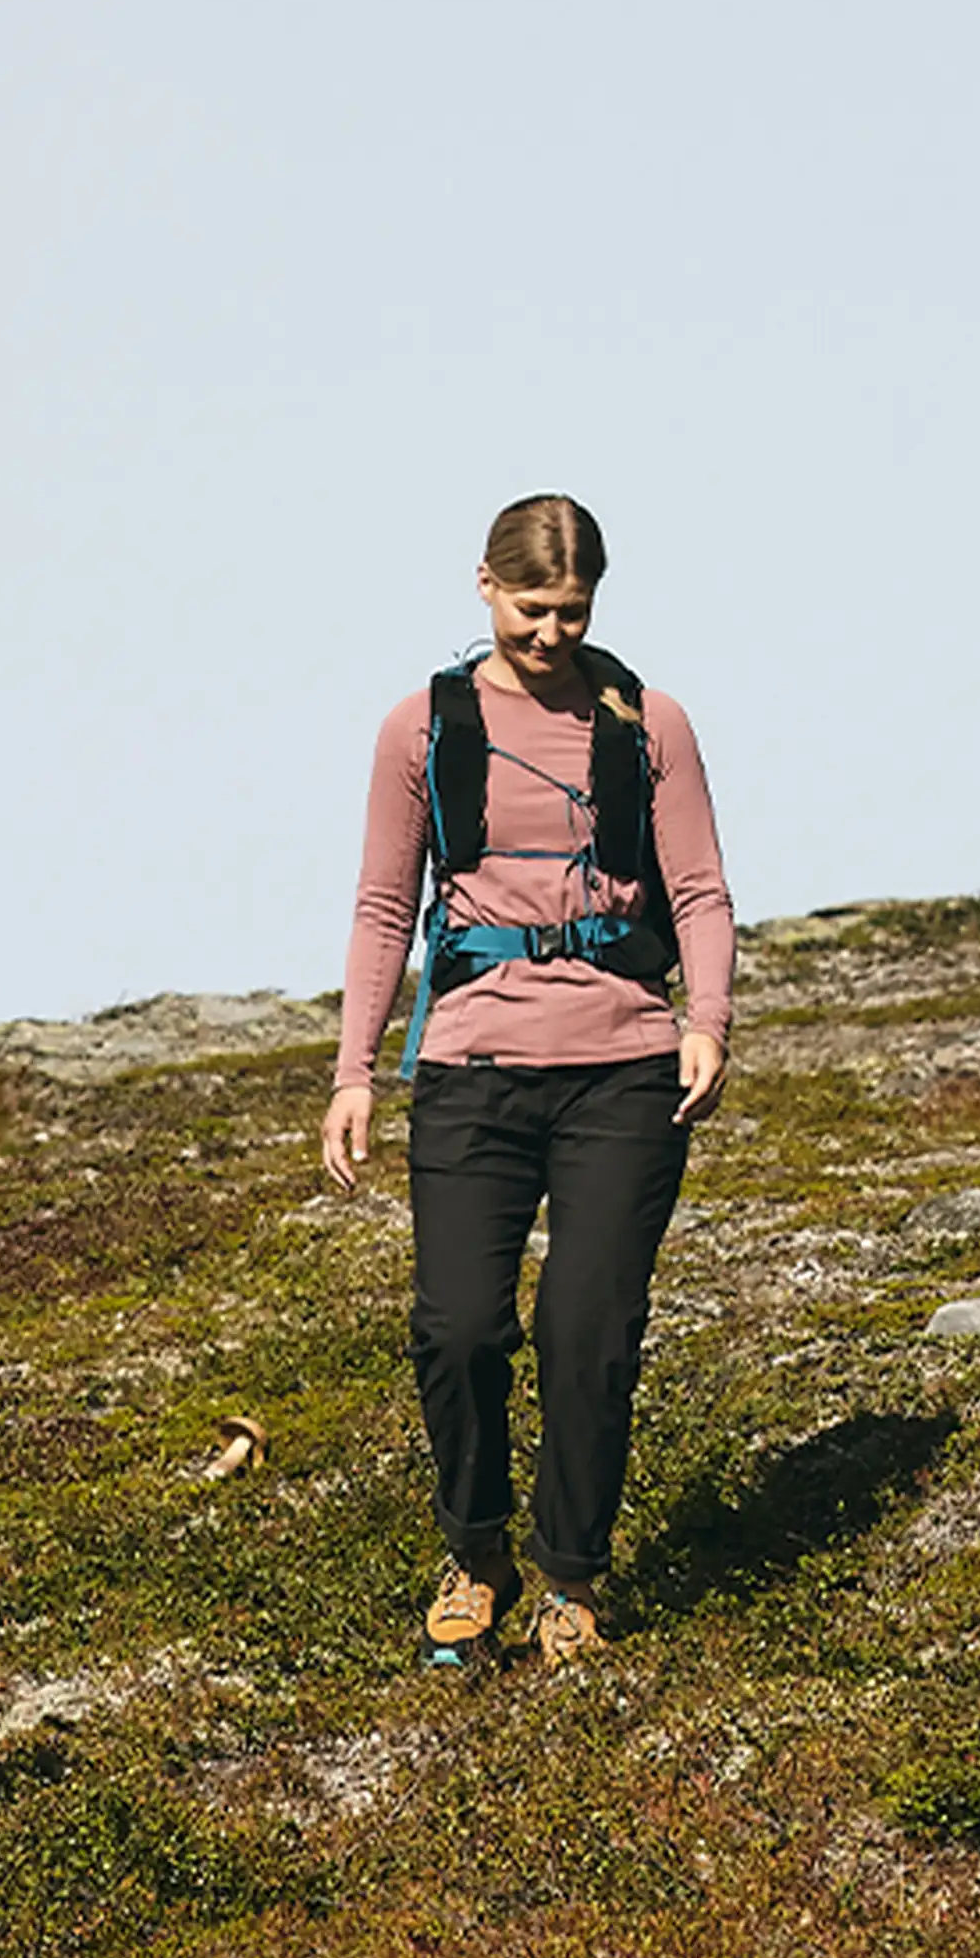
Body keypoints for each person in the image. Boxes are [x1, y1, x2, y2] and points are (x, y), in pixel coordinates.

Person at [323, 495, 737, 1670]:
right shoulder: (422, 728)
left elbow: (699, 889)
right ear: (482, 587)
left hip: (621, 1070)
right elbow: (381, 907)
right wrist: (354, 1071)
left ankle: (571, 1574)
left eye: (572, 611)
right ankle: (475, 1551)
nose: (551, 633)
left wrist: (705, 1020)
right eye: (529, 608)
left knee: (587, 1328)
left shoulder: (652, 723)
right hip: (469, 1066)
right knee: (456, 1329)